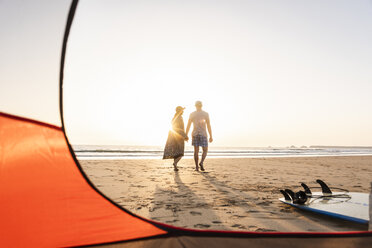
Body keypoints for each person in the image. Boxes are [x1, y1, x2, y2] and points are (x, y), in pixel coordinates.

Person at [185, 101, 213, 171]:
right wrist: (211, 136)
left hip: (195, 134)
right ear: (201, 106)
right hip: (203, 134)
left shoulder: (192, 114)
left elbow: (188, 125)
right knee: (205, 150)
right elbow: (209, 125)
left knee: (196, 151)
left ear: (195, 106)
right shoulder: (206, 114)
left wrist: (186, 134)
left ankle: (197, 167)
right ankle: (201, 162)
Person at [163, 106, 188, 171]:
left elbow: (173, 126)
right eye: (182, 110)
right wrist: (185, 136)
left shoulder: (174, 117)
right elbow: (181, 128)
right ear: (180, 111)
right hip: (179, 135)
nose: (183, 112)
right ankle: (175, 163)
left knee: (176, 151)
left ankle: (175, 167)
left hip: (172, 135)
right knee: (181, 152)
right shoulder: (180, 117)